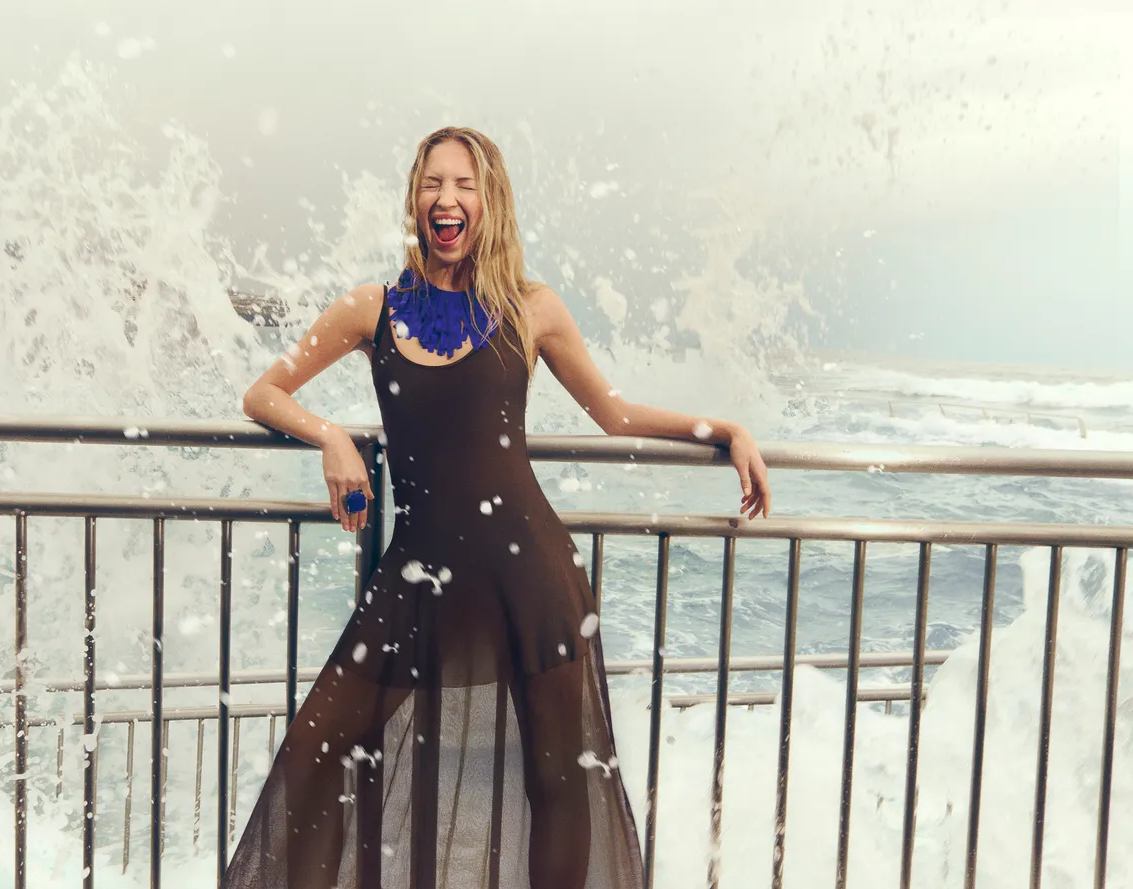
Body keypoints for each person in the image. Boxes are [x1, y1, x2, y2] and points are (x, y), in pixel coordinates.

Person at [227, 126, 772, 889]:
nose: (445, 199)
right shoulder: (371, 308)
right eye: (432, 183)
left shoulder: (530, 308)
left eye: (464, 185)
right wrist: (332, 437)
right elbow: (263, 393)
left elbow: (614, 412)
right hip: (417, 579)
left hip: (529, 577)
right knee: (315, 749)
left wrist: (725, 431)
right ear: (415, 199)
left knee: (558, 781)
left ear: (490, 203)